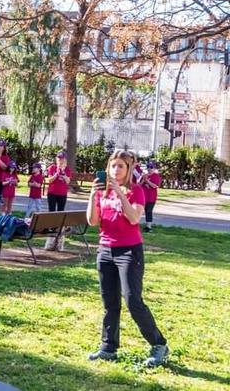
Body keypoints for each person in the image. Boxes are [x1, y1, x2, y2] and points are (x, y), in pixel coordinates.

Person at [86, 150, 169, 367]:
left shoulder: (136, 191)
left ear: (128, 168)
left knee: (133, 300)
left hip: (129, 252)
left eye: (120, 166)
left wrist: (120, 193)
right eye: (113, 166)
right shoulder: (103, 193)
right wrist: (93, 196)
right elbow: (93, 221)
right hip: (105, 250)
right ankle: (108, 348)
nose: (116, 170)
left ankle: (159, 344)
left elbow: (133, 218)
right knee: (110, 302)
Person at [45, 150, 73, 251]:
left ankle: (59, 239)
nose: (60, 160)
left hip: (62, 194)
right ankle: (50, 239)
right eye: (58, 158)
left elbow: (68, 181)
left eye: (62, 159)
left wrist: (64, 174)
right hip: (52, 193)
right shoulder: (52, 168)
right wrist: (56, 174)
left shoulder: (68, 169)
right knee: (51, 213)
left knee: (60, 213)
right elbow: (49, 180)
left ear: (65, 160)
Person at [141, 160, 161, 233]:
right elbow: (139, 185)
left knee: (148, 211)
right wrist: (143, 179)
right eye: (148, 167)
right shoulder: (144, 176)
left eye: (151, 167)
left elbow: (154, 186)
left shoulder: (156, 176)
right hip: (143, 197)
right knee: (140, 211)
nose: (149, 168)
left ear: (154, 168)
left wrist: (147, 181)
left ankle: (148, 227)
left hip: (151, 198)